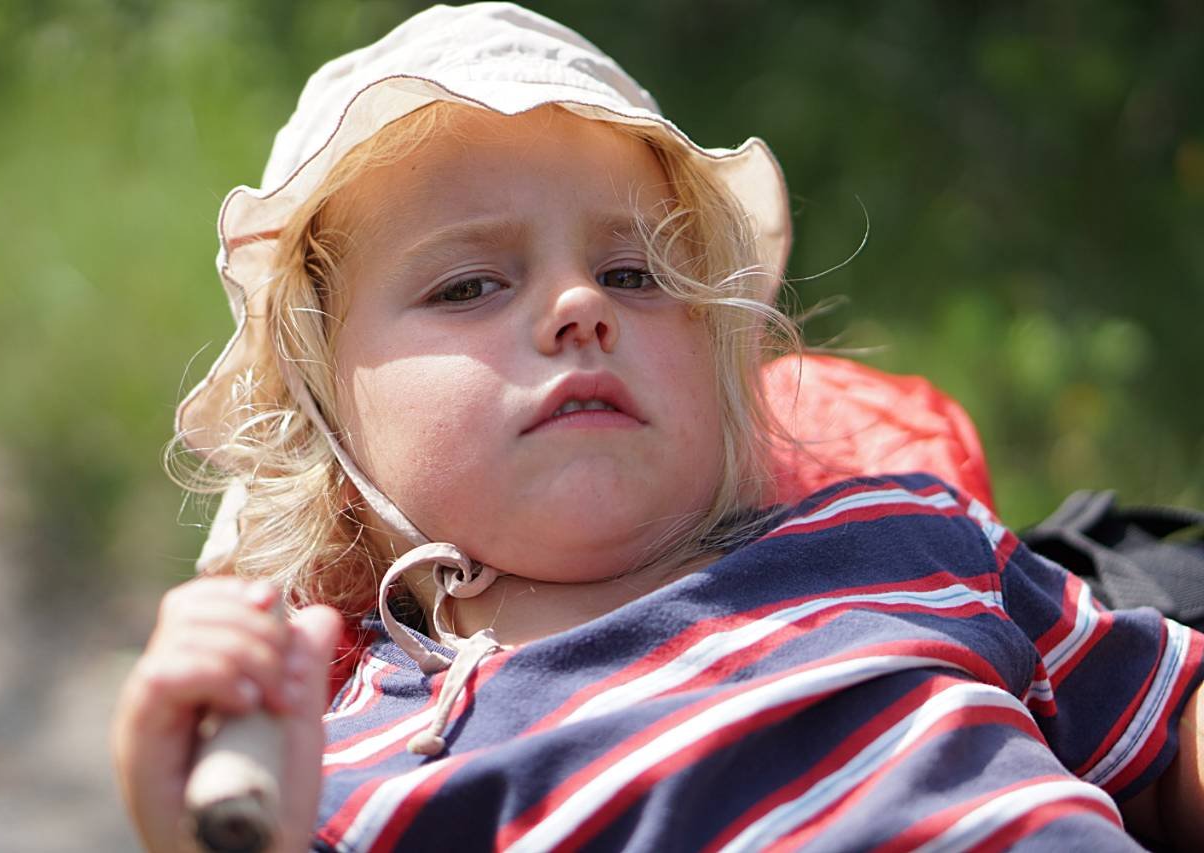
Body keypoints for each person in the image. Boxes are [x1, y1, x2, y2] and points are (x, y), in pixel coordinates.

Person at [111, 4, 1204, 851]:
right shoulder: (346, 770)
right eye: (469, 285)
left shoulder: (907, 538)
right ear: (326, 425)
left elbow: (1164, 755)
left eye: (635, 273)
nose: (579, 305)